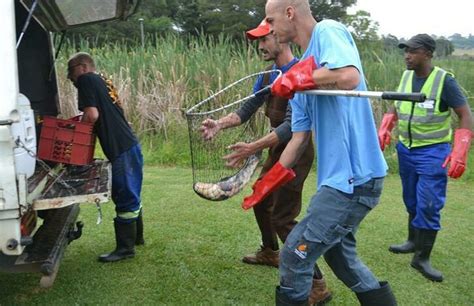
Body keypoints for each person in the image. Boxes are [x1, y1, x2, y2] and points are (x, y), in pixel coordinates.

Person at [242, 0, 398, 304]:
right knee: (341, 257)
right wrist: (267, 183)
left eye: (271, 21)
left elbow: (349, 76)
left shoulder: (327, 31)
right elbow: (299, 139)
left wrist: (300, 79)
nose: (269, 29)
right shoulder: (296, 75)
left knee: (294, 254)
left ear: (289, 13)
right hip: (337, 182)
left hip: (355, 181)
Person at [200, 20, 331, 305]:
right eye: (257, 41)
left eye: (263, 40)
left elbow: (290, 127)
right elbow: (246, 110)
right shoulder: (267, 75)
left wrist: (252, 147)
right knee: (261, 201)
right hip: (275, 150)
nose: (259, 46)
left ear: (279, 38)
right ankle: (270, 252)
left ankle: (317, 283)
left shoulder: (300, 74)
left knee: (283, 217)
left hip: (297, 151)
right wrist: (219, 124)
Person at [378, 34, 473, 282]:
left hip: (433, 152)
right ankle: (411, 241)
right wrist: (386, 126)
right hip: (406, 150)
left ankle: (422, 258)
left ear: (428, 53)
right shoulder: (407, 76)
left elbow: (465, 114)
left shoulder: (444, 81)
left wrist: (460, 149)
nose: (407, 55)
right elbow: (396, 105)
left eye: (413, 51)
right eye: (405, 51)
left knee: (429, 204)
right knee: (411, 199)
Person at [67, 52, 145, 263]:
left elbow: (92, 115)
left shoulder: (86, 80)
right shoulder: (102, 79)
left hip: (121, 147)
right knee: (132, 191)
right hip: (130, 144)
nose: (69, 77)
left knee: (125, 194)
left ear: (82, 67)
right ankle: (137, 238)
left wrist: (77, 132)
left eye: (70, 71)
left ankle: (125, 249)